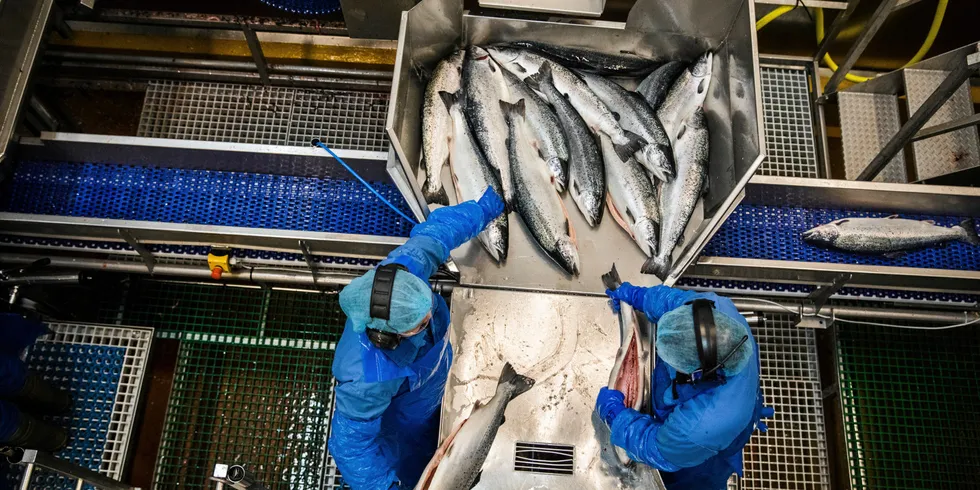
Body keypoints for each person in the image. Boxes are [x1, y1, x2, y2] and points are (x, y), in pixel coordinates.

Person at [328, 188, 505, 490]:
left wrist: (484, 210)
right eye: (419, 324)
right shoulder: (367, 379)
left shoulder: (404, 272)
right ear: (388, 336)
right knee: (420, 467)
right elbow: (350, 446)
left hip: (432, 388)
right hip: (401, 424)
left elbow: (437, 231)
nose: (430, 318)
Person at [596, 282, 774, 490]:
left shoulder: (702, 427)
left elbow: (654, 447)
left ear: (697, 375)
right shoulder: (716, 307)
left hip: (709, 445)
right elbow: (671, 301)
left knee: (691, 479)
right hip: (742, 391)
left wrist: (616, 417)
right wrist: (638, 296)